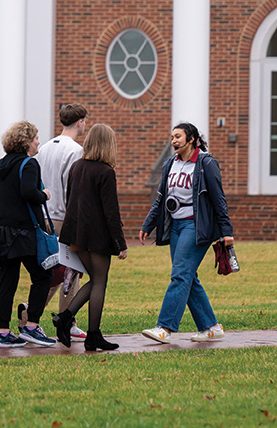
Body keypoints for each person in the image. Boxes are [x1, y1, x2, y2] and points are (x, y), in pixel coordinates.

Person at [138, 122, 235, 345]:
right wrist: (148, 224)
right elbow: (161, 197)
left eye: (178, 136)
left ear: (191, 139)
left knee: (180, 274)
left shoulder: (205, 163)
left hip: (196, 226)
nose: (174, 141)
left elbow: (219, 199)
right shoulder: (169, 163)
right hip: (176, 227)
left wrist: (226, 231)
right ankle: (211, 327)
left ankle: (165, 327)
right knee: (188, 277)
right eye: (172, 137)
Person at [53, 123, 128, 351]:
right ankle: (91, 334)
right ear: (108, 144)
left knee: (95, 280)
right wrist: (120, 244)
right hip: (97, 237)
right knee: (99, 282)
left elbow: (70, 201)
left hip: (77, 235)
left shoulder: (77, 167)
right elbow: (111, 212)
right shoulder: (106, 172)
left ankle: (66, 318)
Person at [0, 121, 56, 348]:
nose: (38, 142)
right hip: (21, 233)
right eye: (36, 138)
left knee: (6, 283)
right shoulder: (30, 164)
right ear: (26, 141)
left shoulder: (1, 164)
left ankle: (3, 333)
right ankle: (32, 327)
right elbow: (28, 193)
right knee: (43, 276)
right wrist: (44, 194)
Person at [33, 102, 88, 341]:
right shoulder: (76, 151)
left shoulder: (43, 148)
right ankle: (67, 320)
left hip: (44, 215)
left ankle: (30, 314)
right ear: (80, 122)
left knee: (48, 272)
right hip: (64, 217)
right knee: (70, 273)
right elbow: (73, 189)